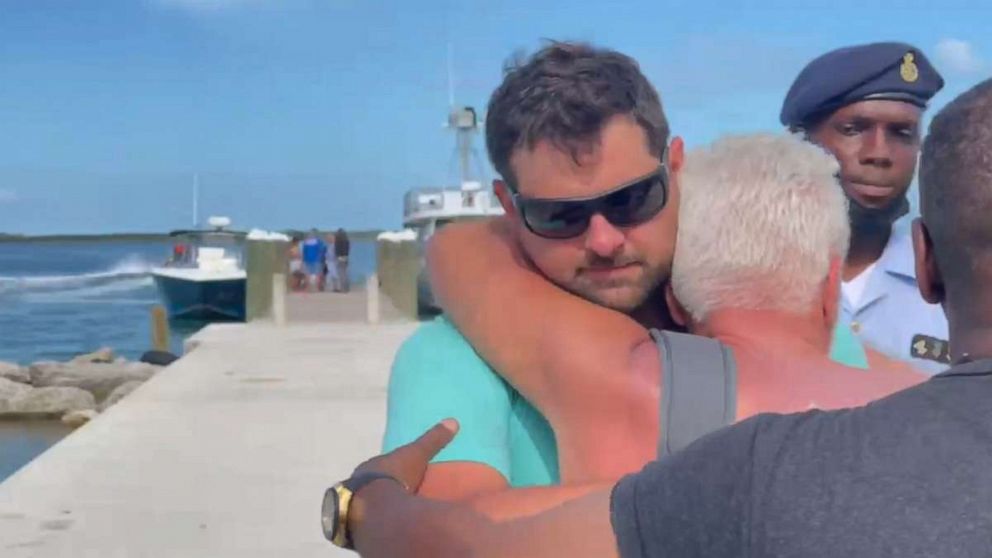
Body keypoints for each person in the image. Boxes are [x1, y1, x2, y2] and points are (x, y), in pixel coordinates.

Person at [332, 78, 992, 557]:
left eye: (631, 200)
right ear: (508, 206)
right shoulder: (452, 355)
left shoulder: (824, 375)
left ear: (674, 170)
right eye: (559, 215)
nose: (604, 240)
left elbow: (455, 537)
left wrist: (364, 505)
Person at [781, 42, 949, 374]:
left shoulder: (953, 281)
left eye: (902, 133)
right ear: (800, 141)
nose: (879, 154)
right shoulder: (748, 275)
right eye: (853, 129)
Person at [333, 227, 351, 292]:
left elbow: (336, 250)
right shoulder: (347, 241)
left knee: (341, 274)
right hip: (346, 257)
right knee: (345, 273)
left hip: (340, 257)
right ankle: (347, 288)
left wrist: (337, 256)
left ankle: (343, 288)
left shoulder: (338, 241)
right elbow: (348, 250)